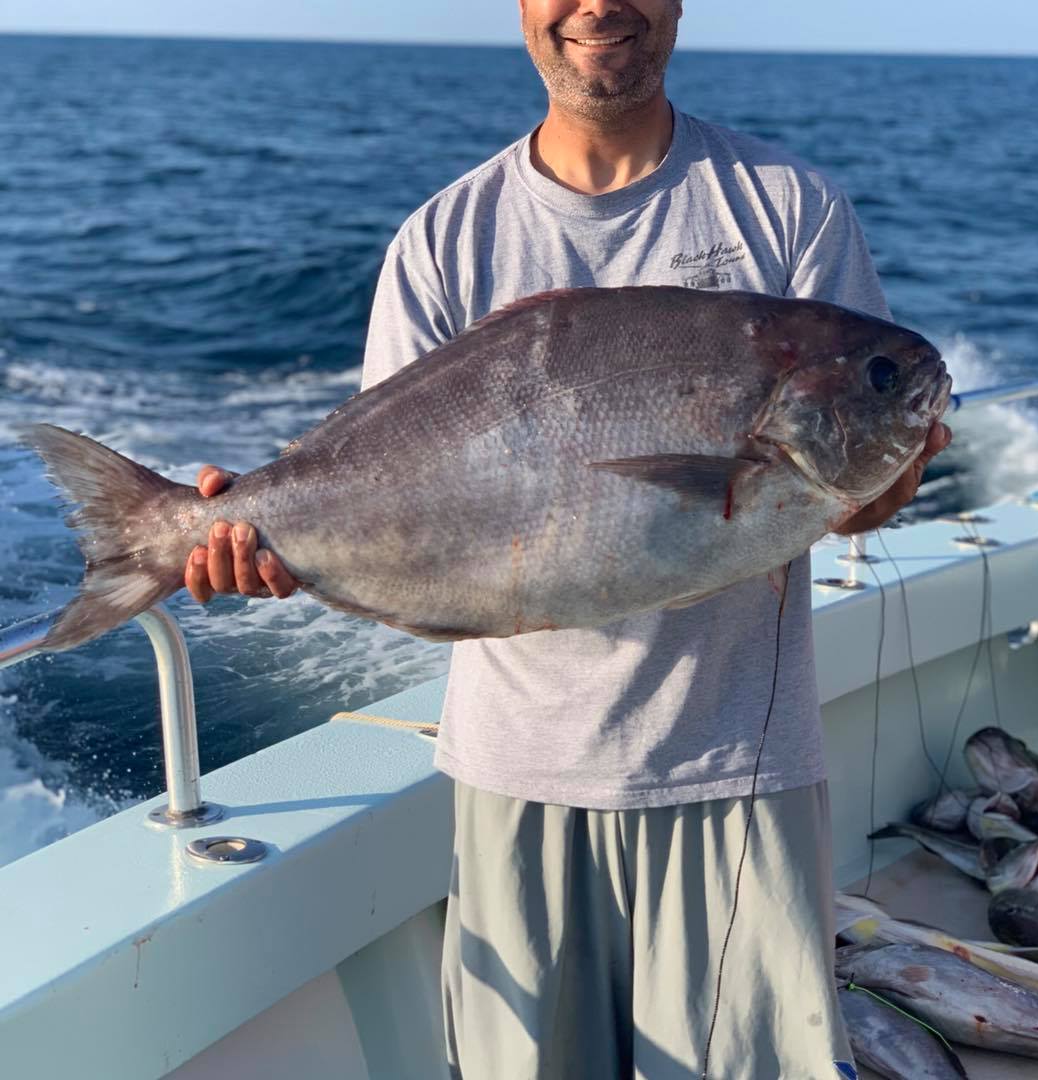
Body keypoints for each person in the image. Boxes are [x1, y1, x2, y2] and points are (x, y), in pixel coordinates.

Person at [186, 2, 951, 1076]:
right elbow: (388, 501)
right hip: (518, 770)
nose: (599, 5)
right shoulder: (446, 238)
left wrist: (884, 467)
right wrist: (273, 543)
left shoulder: (787, 209)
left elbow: (849, 498)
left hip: (735, 767)